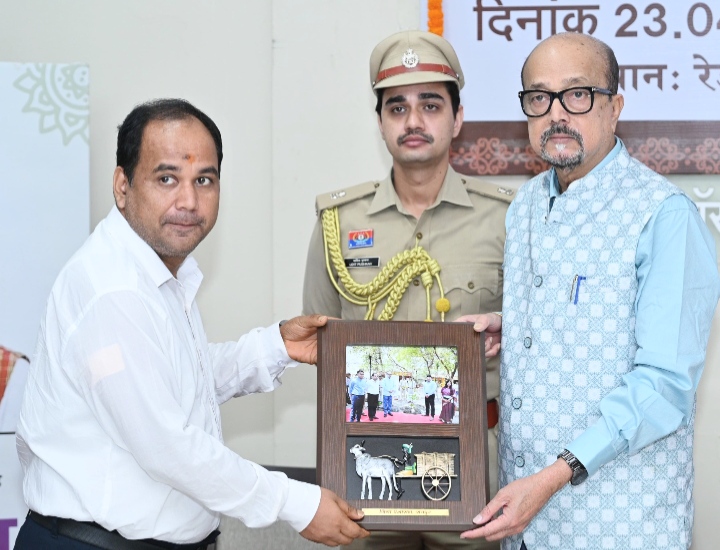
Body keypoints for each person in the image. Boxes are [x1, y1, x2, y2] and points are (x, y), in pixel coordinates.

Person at [14, 99, 369, 550]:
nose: (188, 201)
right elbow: (166, 446)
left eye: (204, 180)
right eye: (167, 178)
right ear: (122, 186)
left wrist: (276, 346)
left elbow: (174, 382)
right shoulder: (112, 290)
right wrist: (294, 503)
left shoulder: (157, 272)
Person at [459, 33, 720, 550]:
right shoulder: (526, 204)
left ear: (614, 107)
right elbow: (595, 322)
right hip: (525, 526)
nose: (557, 114)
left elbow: (664, 385)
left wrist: (555, 475)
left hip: (619, 526)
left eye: (577, 94)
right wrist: (514, 328)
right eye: (540, 97)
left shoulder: (665, 217)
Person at [303, 30, 511, 549]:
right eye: (397, 107)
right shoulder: (339, 222)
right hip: (365, 463)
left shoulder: (507, 219)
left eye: (430, 105)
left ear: (457, 119)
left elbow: (537, 338)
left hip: (476, 466)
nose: (413, 121)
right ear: (380, 122)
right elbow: (319, 343)